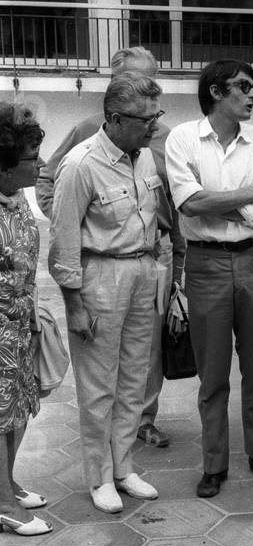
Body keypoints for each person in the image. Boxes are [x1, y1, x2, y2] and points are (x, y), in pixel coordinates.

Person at [37, 46, 185, 450]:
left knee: (147, 347)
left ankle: (143, 419)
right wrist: (75, 223)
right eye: (133, 81)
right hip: (103, 259)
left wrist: (178, 256)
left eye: (151, 82)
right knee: (102, 356)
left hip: (156, 252)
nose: (145, 89)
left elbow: (177, 199)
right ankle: (103, 448)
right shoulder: (88, 131)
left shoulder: (166, 137)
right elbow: (49, 180)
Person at [165, 59, 253, 498]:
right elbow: (190, 205)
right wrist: (248, 195)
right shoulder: (183, 139)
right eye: (244, 87)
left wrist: (220, 202)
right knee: (212, 371)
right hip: (206, 263)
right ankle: (214, 464)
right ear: (216, 92)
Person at [49, 72, 164, 514]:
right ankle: (98, 477)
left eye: (157, 116)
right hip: (100, 277)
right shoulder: (80, 165)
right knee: (99, 386)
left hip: (141, 271)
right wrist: (74, 305)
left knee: (134, 378)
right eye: (146, 119)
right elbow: (63, 242)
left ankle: (124, 467)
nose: (153, 126)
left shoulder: (145, 158)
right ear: (115, 119)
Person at [0, 105, 52, 536]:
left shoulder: (16, 200)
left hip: (17, 326)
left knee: (17, 410)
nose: (41, 164)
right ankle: (0, 502)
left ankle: (7, 483)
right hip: (1, 324)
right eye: (32, 158)